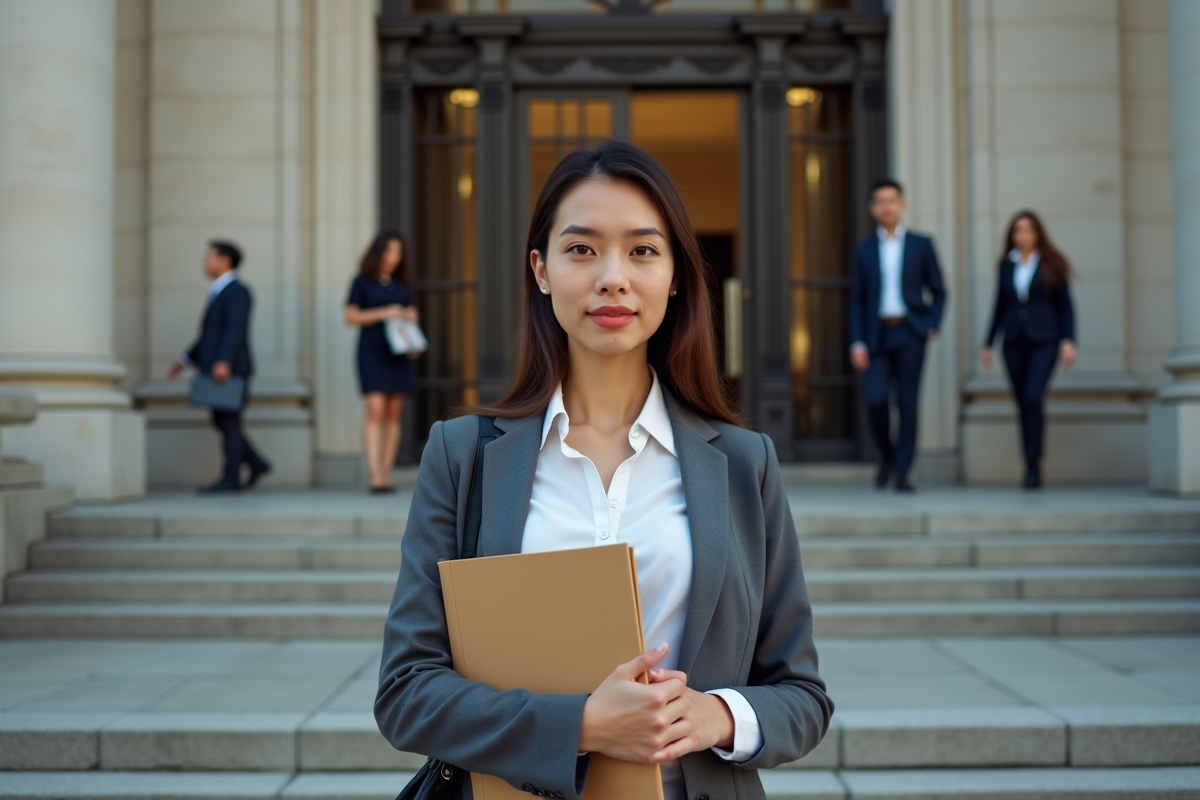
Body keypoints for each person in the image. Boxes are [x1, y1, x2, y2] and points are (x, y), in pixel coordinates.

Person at [375, 141, 832, 800]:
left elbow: (802, 696)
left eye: (643, 250)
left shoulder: (742, 463)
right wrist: (581, 725)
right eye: (582, 249)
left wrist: (719, 715)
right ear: (540, 269)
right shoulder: (463, 455)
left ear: (675, 275)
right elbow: (406, 694)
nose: (612, 276)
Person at [848, 178, 947, 493]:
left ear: (902, 205)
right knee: (876, 400)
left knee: (907, 403)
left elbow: (940, 290)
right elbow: (857, 299)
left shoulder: (922, 244)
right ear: (872, 208)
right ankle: (887, 458)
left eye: (892, 200)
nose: (886, 206)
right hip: (877, 336)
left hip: (910, 332)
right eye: (880, 201)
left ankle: (903, 471)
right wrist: (857, 340)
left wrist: (931, 323)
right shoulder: (863, 250)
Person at [981, 210, 1077, 489]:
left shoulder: (1052, 264)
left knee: (1033, 396)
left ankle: (1036, 461)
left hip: (1045, 340)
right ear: (1012, 236)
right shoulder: (1006, 266)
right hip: (1013, 342)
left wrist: (1068, 341)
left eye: (1028, 230)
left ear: (1038, 234)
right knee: (1022, 401)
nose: (1023, 235)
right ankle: (1028, 463)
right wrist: (988, 343)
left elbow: (1066, 307)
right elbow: (999, 305)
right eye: (1018, 230)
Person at [167, 240, 271, 494]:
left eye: (210, 256)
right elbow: (209, 335)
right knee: (223, 420)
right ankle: (256, 464)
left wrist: (224, 361)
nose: (205, 261)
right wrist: (184, 359)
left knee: (229, 422)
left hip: (230, 369)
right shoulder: (218, 292)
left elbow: (235, 330)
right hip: (220, 367)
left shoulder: (238, 291)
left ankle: (231, 477)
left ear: (225, 260)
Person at [345, 231, 418, 494]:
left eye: (398, 252)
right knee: (375, 410)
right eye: (389, 251)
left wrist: (410, 317)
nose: (394, 258)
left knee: (393, 413)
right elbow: (350, 316)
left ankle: (386, 472)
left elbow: (411, 317)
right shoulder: (362, 282)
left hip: (398, 353)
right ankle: (374, 473)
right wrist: (384, 312)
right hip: (372, 352)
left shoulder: (401, 284)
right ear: (378, 253)